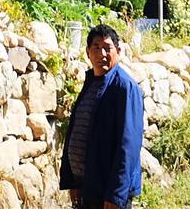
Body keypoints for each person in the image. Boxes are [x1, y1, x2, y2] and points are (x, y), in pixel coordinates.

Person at [60, 23, 144, 209]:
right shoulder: (91, 83)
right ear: (88, 52)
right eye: (96, 48)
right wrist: (73, 181)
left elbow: (129, 145)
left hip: (107, 191)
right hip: (87, 186)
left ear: (118, 51)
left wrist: (116, 195)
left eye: (107, 48)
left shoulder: (125, 87)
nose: (102, 54)